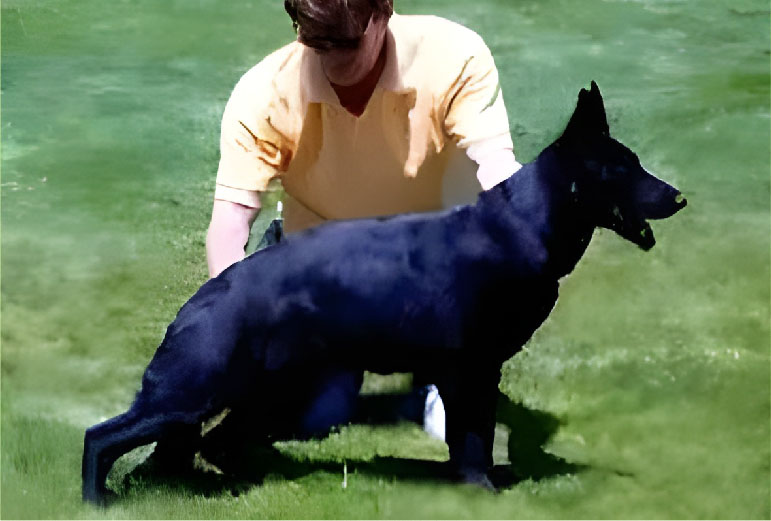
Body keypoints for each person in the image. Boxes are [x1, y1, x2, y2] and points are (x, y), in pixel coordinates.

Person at [205, 0, 521, 440]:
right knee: (316, 414)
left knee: (456, 397)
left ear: (383, 11)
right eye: (316, 42)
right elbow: (228, 227)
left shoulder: (456, 56)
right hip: (324, 269)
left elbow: (498, 172)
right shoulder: (265, 93)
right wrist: (235, 326)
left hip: (431, 265)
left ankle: (442, 373)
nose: (332, 60)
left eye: (346, 43)